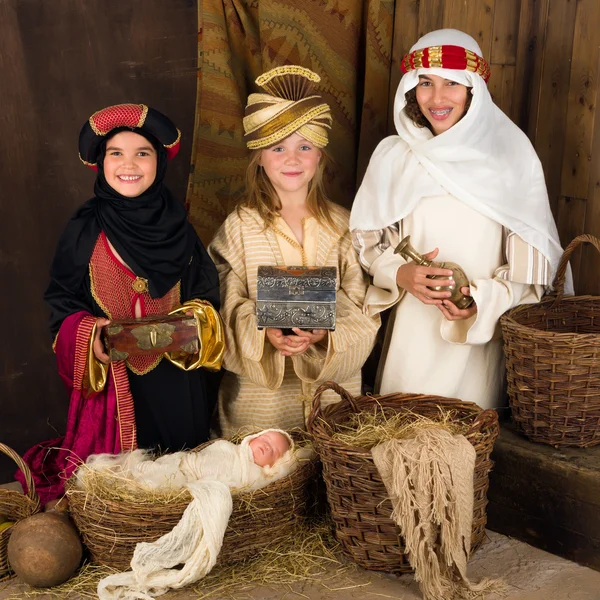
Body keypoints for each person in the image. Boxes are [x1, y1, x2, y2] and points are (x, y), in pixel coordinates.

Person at [350, 29, 570, 409]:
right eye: (426, 83)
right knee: (399, 439)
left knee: (468, 446)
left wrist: (479, 302)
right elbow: (370, 244)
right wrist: (400, 273)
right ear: (412, 90)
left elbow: (535, 272)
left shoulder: (512, 159)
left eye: (452, 83)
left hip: (478, 346)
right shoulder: (393, 156)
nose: (437, 97)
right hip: (411, 342)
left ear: (473, 91)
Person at [19, 104, 224, 505]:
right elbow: (61, 302)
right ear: (100, 162)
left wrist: (194, 320)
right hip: (117, 386)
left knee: (181, 483)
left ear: (159, 161)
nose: (128, 164)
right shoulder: (83, 229)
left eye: (142, 153)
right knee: (123, 493)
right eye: (116, 153)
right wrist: (87, 333)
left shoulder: (180, 228)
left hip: (176, 383)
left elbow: (207, 295)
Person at [209, 65, 380, 437]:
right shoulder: (239, 228)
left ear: (319, 156)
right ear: (258, 157)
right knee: (269, 484)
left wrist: (324, 335)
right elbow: (224, 303)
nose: (292, 159)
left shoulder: (344, 226)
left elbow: (362, 302)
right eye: (278, 147)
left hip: (332, 398)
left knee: (330, 480)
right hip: (261, 405)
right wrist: (264, 331)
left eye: (305, 147)